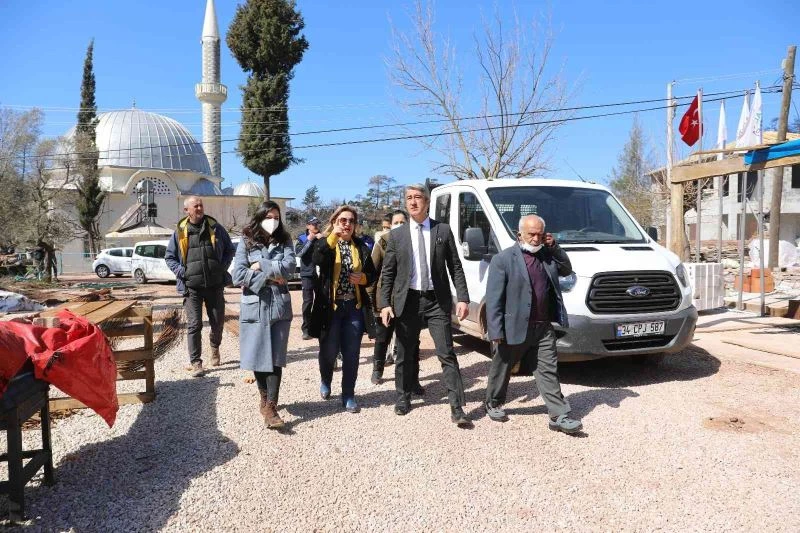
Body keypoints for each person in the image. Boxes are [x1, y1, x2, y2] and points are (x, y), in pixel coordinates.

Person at [379, 184, 472, 427]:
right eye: (409, 198)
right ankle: (403, 397)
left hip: (436, 301)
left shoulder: (442, 230)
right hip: (407, 301)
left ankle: (457, 407)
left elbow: (455, 266)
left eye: (418, 197)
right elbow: (388, 273)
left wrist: (463, 298)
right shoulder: (397, 235)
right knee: (404, 353)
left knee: (446, 353)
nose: (413, 202)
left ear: (427, 202)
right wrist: (385, 303)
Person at [484, 214, 583, 434]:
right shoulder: (503, 259)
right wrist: (495, 330)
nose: (536, 239)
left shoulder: (547, 256)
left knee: (548, 370)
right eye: (531, 234)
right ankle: (494, 402)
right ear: (519, 234)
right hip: (514, 326)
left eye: (540, 234)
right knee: (502, 366)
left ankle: (559, 415)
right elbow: (494, 299)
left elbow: (566, 270)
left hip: (543, 327)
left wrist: (555, 247)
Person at [232, 201, 295, 429]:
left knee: (276, 357)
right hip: (255, 304)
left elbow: (290, 268)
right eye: (268, 217)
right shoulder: (246, 240)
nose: (273, 221)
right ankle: (264, 397)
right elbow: (237, 275)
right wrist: (271, 274)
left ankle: (271, 407)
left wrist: (260, 265)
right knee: (258, 354)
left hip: (279, 304)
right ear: (259, 218)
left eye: (276, 217)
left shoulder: (285, 240)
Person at [310, 205, 377, 413]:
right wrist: (333, 237)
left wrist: (363, 278)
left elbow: (372, 274)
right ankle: (326, 379)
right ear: (334, 222)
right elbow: (317, 259)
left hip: (353, 307)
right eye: (343, 220)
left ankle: (348, 394)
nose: (347, 224)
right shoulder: (326, 243)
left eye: (351, 221)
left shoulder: (361, 246)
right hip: (331, 308)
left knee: (352, 354)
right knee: (329, 351)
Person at [165, 196, 236, 378]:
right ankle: (196, 362)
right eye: (195, 206)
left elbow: (230, 249)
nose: (199, 208)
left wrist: (222, 268)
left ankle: (214, 346)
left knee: (218, 322)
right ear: (186, 210)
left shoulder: (216, 228)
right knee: (194, 325)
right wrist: (182, 271)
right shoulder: (180, 232)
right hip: (192, 288)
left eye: (201, 205)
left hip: (215, 285)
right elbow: (169, 257)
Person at [369, 209, 423, 391]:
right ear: (390, 225)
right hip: (386, 298)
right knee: (382, 336)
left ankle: (413, 379)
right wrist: (373, 300)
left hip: (409, 298)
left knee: (412, 340)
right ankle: (377, 369)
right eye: (396, 222)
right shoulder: (383, 242)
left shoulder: (416, 241)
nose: (399, 225)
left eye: (402, 222)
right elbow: (372, 271)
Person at [296, 216, 322, 340]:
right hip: (307, 274)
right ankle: (306, 329)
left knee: (321, 301)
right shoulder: (301, 238)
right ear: (308, 225)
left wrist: (323, 241)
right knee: (308, 302)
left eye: (317, 224)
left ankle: (318, 327)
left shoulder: (322, 237)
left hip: (321, 274)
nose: (316, 226)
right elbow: (299, 253)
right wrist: (309, 240)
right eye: (313, 224)